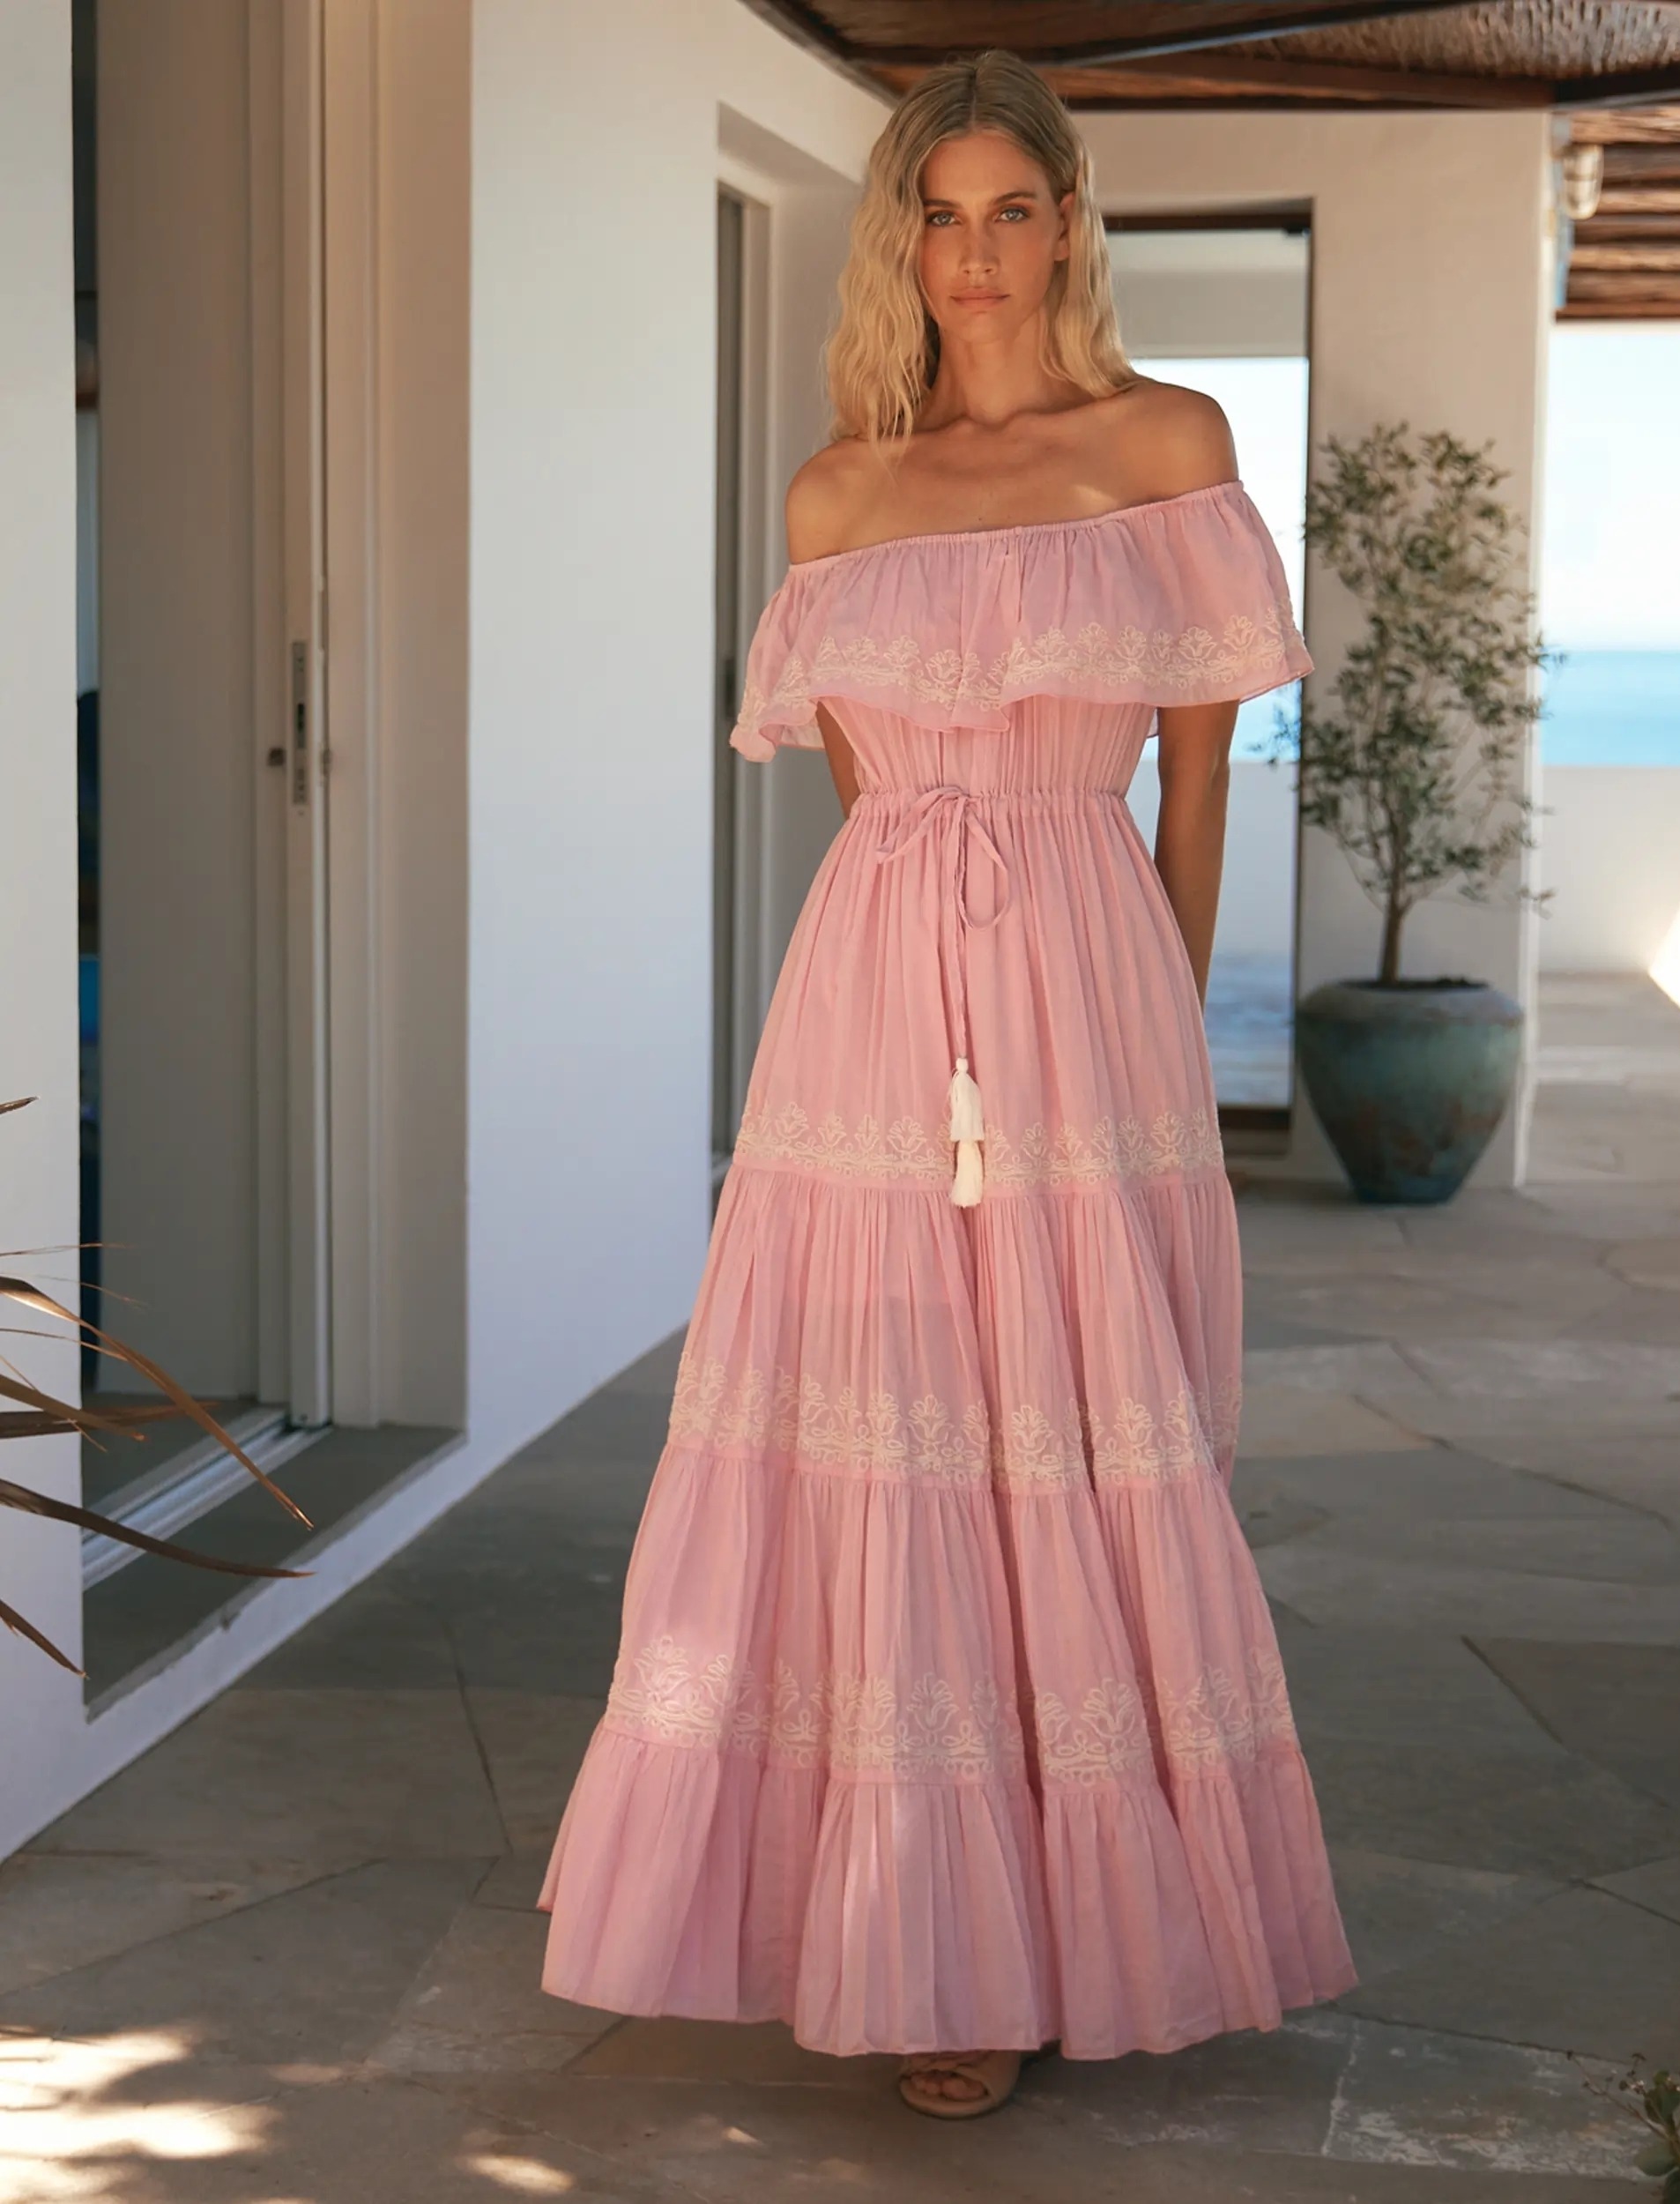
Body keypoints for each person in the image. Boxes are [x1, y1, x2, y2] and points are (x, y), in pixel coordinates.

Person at [539, 48, 1356, 2121]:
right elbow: (862, 799)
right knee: (890, 1436)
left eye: (1014, 208)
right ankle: (937, 1941)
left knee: (1083, 1431)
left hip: (1090, 979)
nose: (976, 251)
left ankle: (1093, 1907)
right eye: (941, 209)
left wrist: (1160, 1016)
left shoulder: (1166, 442)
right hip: (875, 1007)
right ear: (895, 235)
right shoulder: (838, 489)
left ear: (1068, 226)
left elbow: (1196, 774)